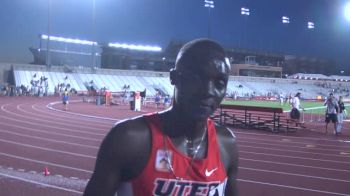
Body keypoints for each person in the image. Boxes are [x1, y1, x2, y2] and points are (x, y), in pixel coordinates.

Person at [84, 39, 238, 196]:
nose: (208, 91)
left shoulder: (226, 144)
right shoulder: (129, 139)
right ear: (174, 77)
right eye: (197, 78)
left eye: (219, 83)